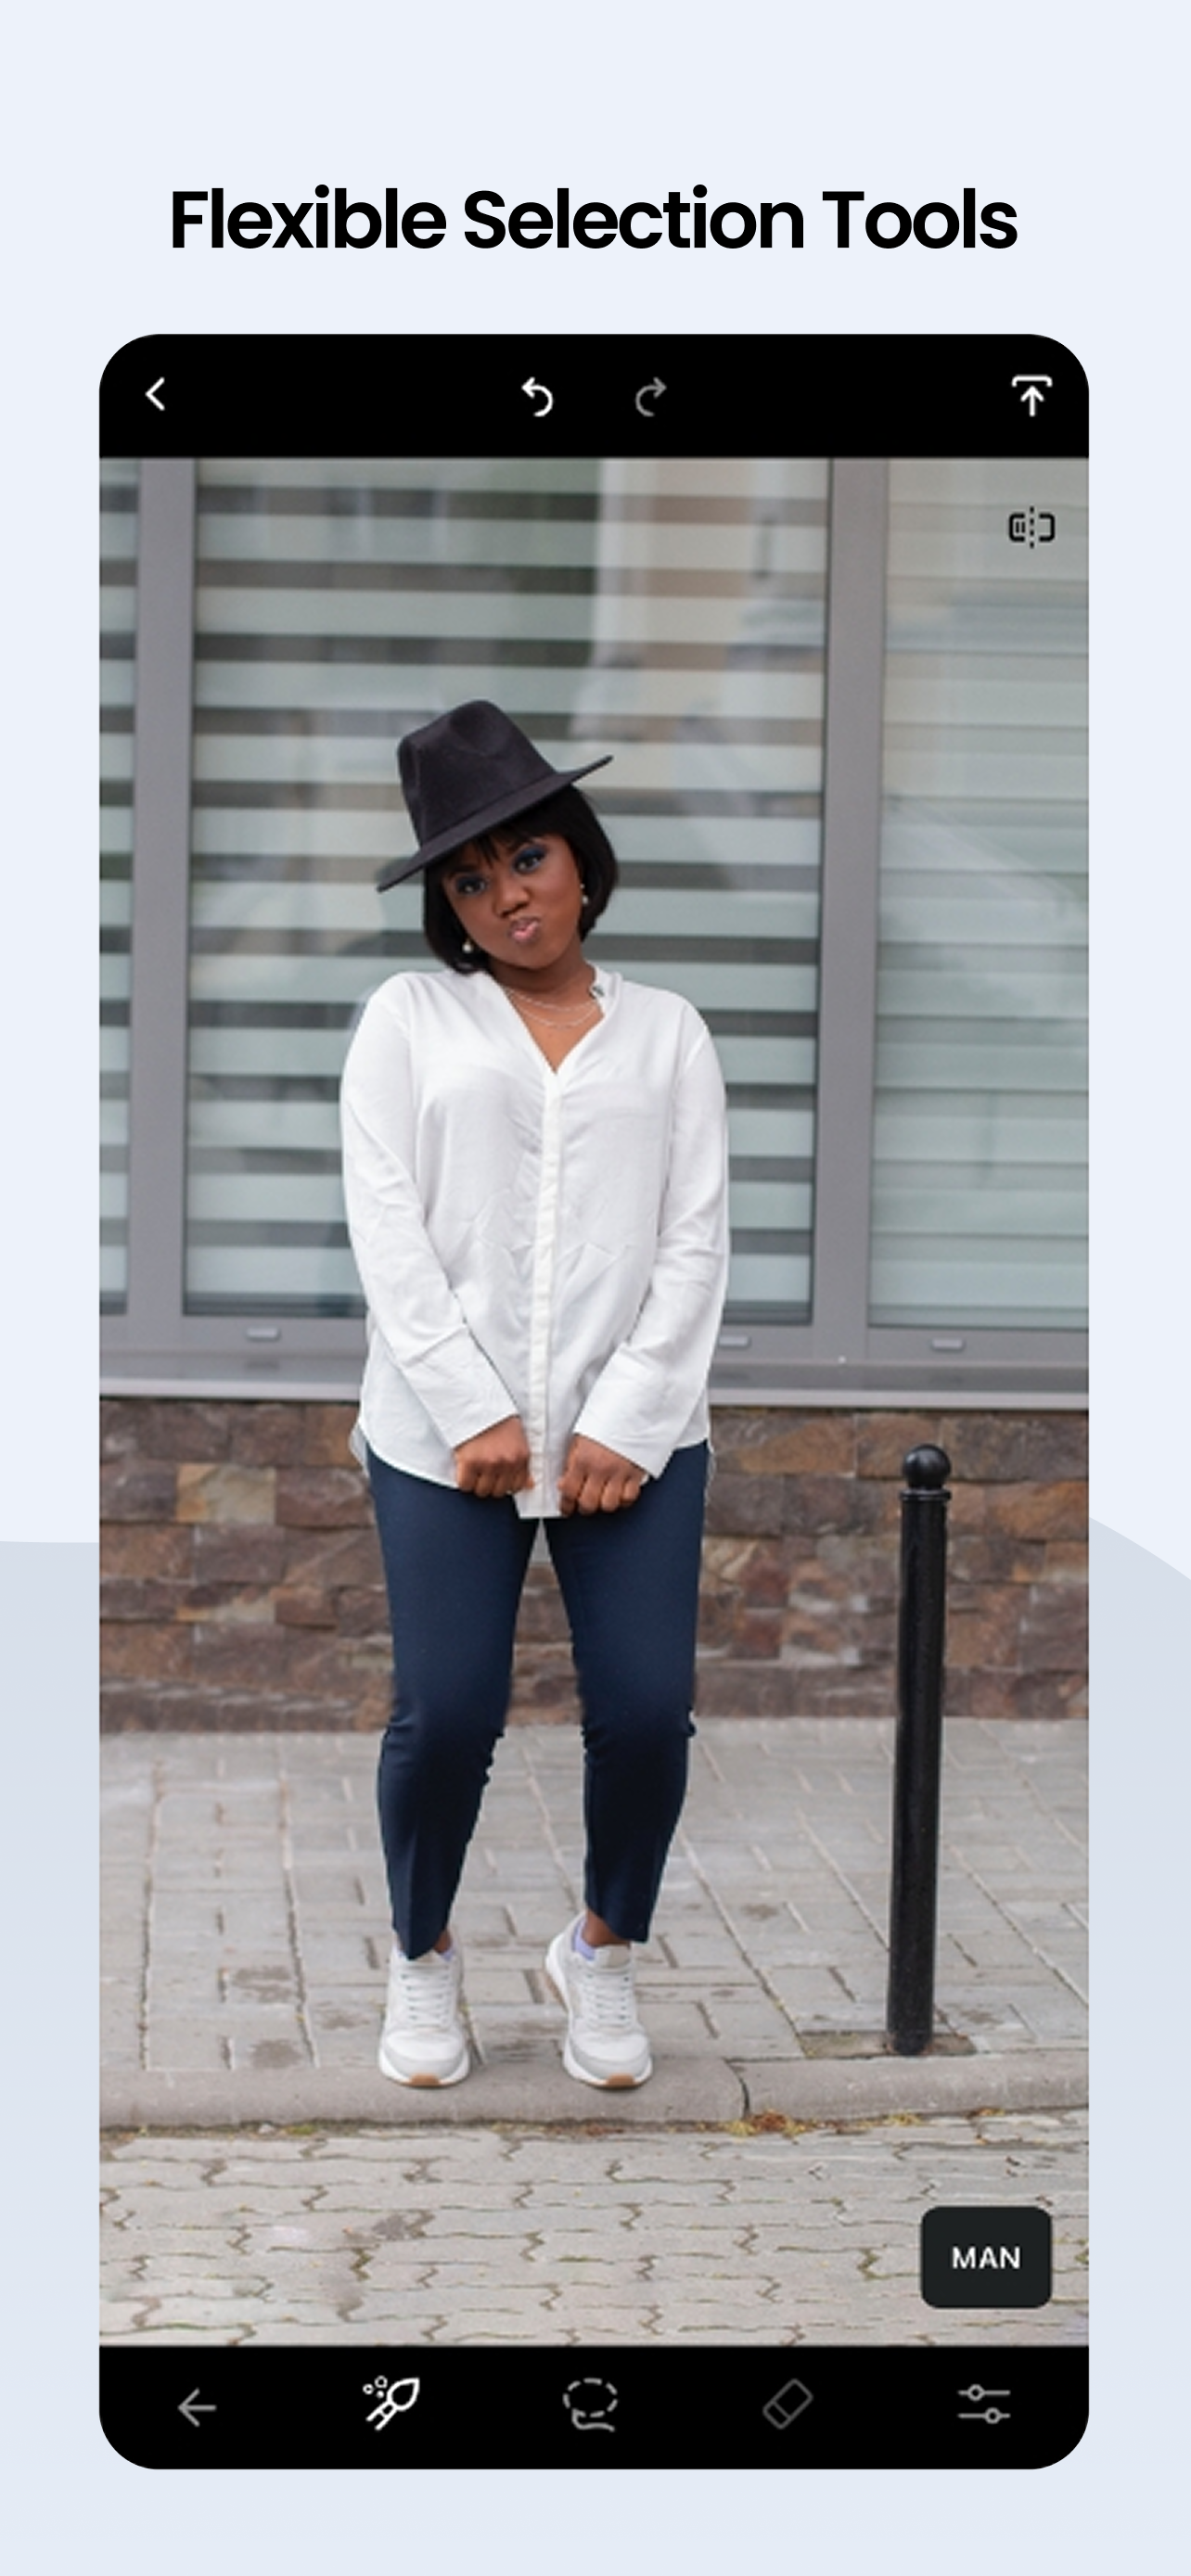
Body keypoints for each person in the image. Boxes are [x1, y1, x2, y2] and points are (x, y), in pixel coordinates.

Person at [340, 699, 729, 2089]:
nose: (506, 895)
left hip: (634, 1438)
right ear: (447, 907)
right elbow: (386, 1226)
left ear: (580, 860)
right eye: (469, 879)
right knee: (446, 1714)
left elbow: (695, 1237)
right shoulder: (408, 1019)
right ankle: (422, 1952)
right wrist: (472, 1407)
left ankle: (601, 1951)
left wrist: (627, 1416)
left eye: (526, 857)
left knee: (648, 1712)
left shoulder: (670, 1034)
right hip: (445, 1440)